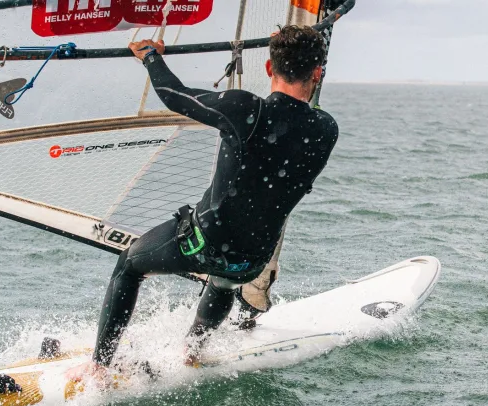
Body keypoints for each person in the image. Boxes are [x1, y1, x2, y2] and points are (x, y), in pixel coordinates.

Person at [68, 25, 339, 381]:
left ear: (269, 68)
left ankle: (99, 366)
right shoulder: (326, 129)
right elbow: (300, 119)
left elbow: (174, 94)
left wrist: (150, 56)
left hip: (204, 242)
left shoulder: (246, 110)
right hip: (252, 260)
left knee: (129, 267)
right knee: (225, 281)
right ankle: (192, 352)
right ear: (318, 73)